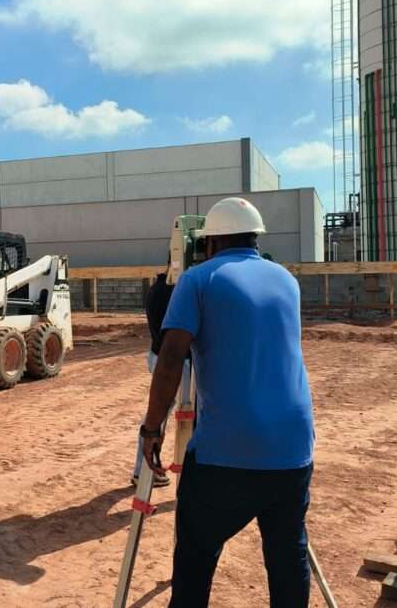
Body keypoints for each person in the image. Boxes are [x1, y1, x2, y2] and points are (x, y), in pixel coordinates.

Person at [140, 197, 314, 608]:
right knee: (288, 557)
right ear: (255, 238)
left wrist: (152, 429)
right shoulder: (287, 280)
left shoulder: (199, 279)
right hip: (294, 450)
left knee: (196, 556)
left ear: (210, 243)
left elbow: (169, 362)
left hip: (227, 454)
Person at [131, 264, 189, 488]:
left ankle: (142, 471)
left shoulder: (157, 288)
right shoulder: (183, 290)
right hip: (179, 363)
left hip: (157, 356)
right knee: (187, 419)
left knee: (157, 415)